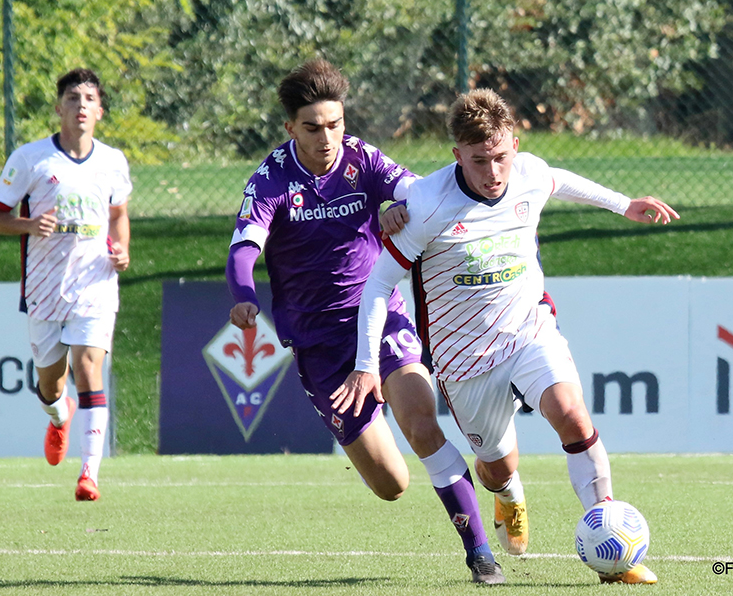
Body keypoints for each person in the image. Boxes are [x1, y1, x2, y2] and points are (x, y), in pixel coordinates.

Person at [333, 88, 680, 584]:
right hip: (464, 359)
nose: (493, 171)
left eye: (500, 156)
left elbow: (561, 180)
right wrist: (367, 364)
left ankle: (611, 543)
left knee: (572, 415)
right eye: (479, 161)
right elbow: (377, 285)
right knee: (496, 466)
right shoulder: (427, 204)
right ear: (458, 155)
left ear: (515, 145)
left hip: (528, 328)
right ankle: (506, 491)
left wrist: (624, 205)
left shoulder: (528, 173)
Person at [225, 60, 504, 584]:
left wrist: (399, 207)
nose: (327, 137)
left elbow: (417, 191)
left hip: (379, 318)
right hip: (319, 343)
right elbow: (244, 248)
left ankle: (481, 554)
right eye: (312, 127)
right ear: (290, 128)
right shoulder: (271, 178)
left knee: (422, 425)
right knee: (391, 483)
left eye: (335, 124)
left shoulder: (363, 159)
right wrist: (243, 296)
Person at [0, 68, 132, 502]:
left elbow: (119, 215)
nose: (81, 105)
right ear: (58, 108)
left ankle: (89, 474)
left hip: (96, 284)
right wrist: (29, 225)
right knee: (51, 385)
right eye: (72, 98)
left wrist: (122, 249)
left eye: (89, 98)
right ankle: (58, 415)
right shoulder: (30, 159)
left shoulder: (113, 161)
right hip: (45, 290)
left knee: (88, 368)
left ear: (100, 111)